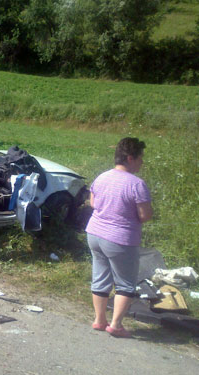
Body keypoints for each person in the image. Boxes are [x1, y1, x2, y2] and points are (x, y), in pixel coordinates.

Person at [86, 137, 153, 338]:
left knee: (100, 278)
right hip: (120, 239)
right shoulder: (137, 184)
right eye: (140, 158)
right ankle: (116, 325)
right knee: (125, 283)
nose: (142, 162)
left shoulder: (102, 177)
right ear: (130, 158)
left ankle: (99, 320)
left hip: (95, 234)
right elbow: (145, 215)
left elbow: (93, 204)